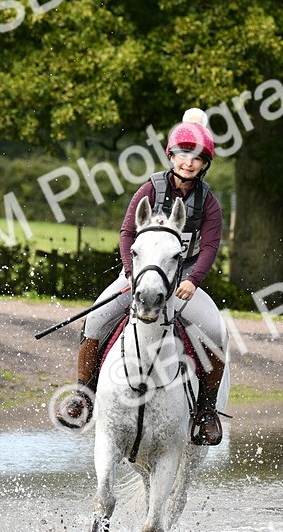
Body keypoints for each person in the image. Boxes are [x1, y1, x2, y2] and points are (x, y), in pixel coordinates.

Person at [56, 108, 227, 445]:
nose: (188, 163)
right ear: (172, 155)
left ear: (205, 164)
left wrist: (193, 281)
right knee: (95, 319)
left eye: (197, 158)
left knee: (214, 333)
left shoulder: (209, 204)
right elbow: (126, 233)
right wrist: (133, 274)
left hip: (184, 279)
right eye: (183, 154)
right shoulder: (150, 189)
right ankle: (83, 394)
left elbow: (210, 246)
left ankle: (205, 411)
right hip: (140, 274)